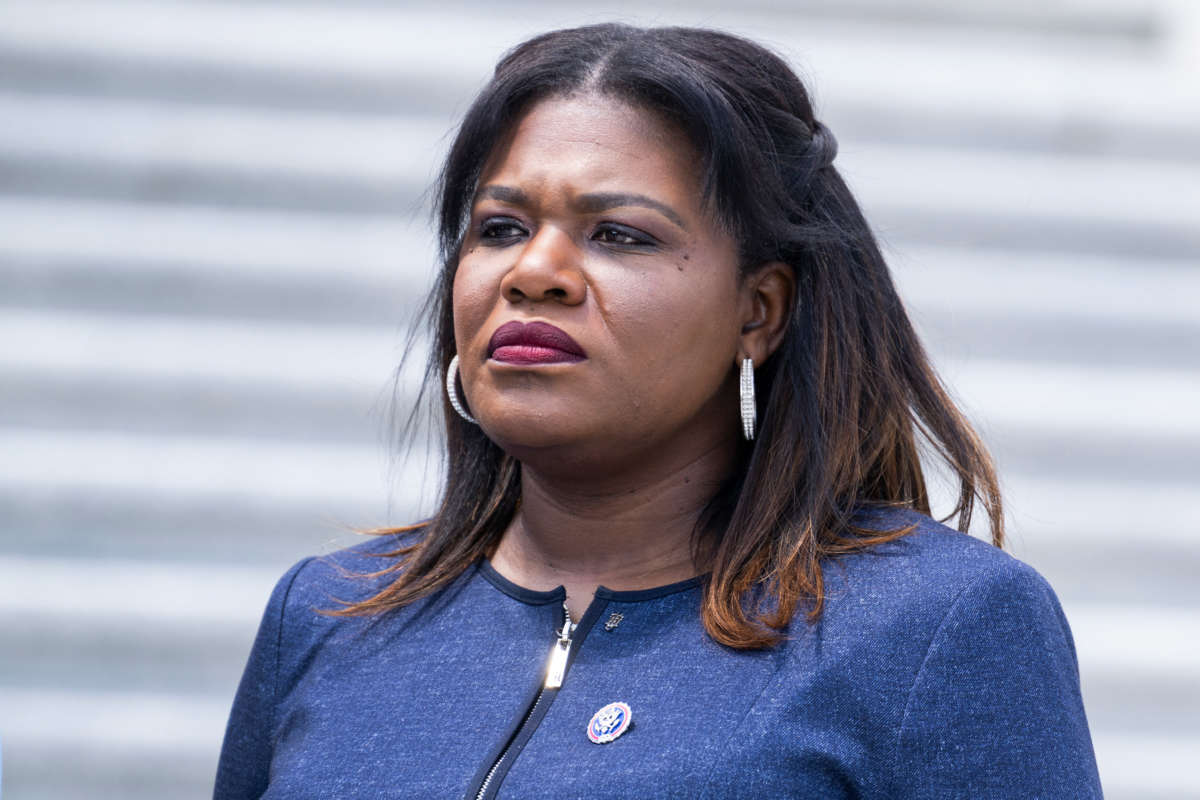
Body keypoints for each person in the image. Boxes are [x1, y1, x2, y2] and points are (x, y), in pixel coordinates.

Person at [214, 23, 1102, 799]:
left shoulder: (935, 626)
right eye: (499, 228)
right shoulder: (331, 615)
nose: (535, 272)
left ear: (760, 311)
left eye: (619, 235)